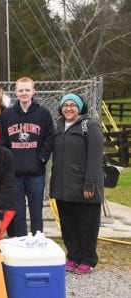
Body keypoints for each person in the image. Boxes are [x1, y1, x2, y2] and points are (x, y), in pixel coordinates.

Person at [50, 93, 103, 275]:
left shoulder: (90, 125)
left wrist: (89, 184)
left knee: (87, 224)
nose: (69, 108)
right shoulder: (58, 126)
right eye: (65, 105)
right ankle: (73, 256)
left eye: (73, 105)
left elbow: (95, 158)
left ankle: (88, 259)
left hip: (84, 186)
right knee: (68, 224)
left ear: (80, 107)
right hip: (64, 186)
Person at [0, 77, 54, 237]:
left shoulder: (43, 113)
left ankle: (38, 241)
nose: (24, 93)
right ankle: (22, 242)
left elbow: (48, 140)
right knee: (18, 213)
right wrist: (10, 165)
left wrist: (41, 160)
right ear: (15, 92)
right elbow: (2, 143)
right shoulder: (7, 115)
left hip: (36, 173)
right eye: (21, 90)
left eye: (27, 90)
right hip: (14, 173)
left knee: (37, 212)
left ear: (33, 91)